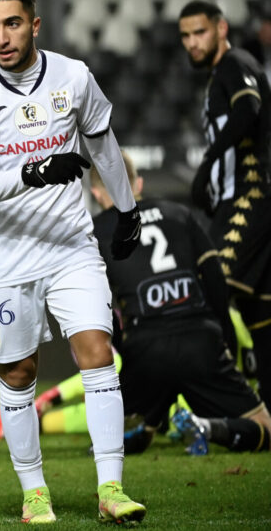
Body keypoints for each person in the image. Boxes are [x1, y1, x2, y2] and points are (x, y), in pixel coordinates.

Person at [0, 0, 145, 524]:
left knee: (97, 352)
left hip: (70, 247)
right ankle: (34, 492)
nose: (2, 37)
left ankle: (111, 487)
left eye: (12, 23)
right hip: (6, 258)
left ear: (35, 24)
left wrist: (127, 209)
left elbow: (103, 143)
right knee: (17, 374)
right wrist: (35, 171)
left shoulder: (73, 76)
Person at [90, 152, 271, 455]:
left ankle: (146, 425)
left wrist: (126, 351)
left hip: (145, 348)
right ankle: (207, 427)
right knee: (265, 427)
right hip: (199, 339)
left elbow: (101, 307)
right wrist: (221, 337)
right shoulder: (178, 213)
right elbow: (214, 279)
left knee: (115, 439)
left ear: (96, 193)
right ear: (139, 183)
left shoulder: (94, 232)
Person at [179, 0, 271, 403]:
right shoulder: (222, 73)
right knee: (260, 312)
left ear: (221, 28)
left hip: (251, 197)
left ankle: (222, 399)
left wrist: (207, 164)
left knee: (208, 288)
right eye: (185, 36)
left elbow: (248, 110)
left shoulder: (236, 64)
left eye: (199, 32)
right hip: (247, 200)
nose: (192, 43)